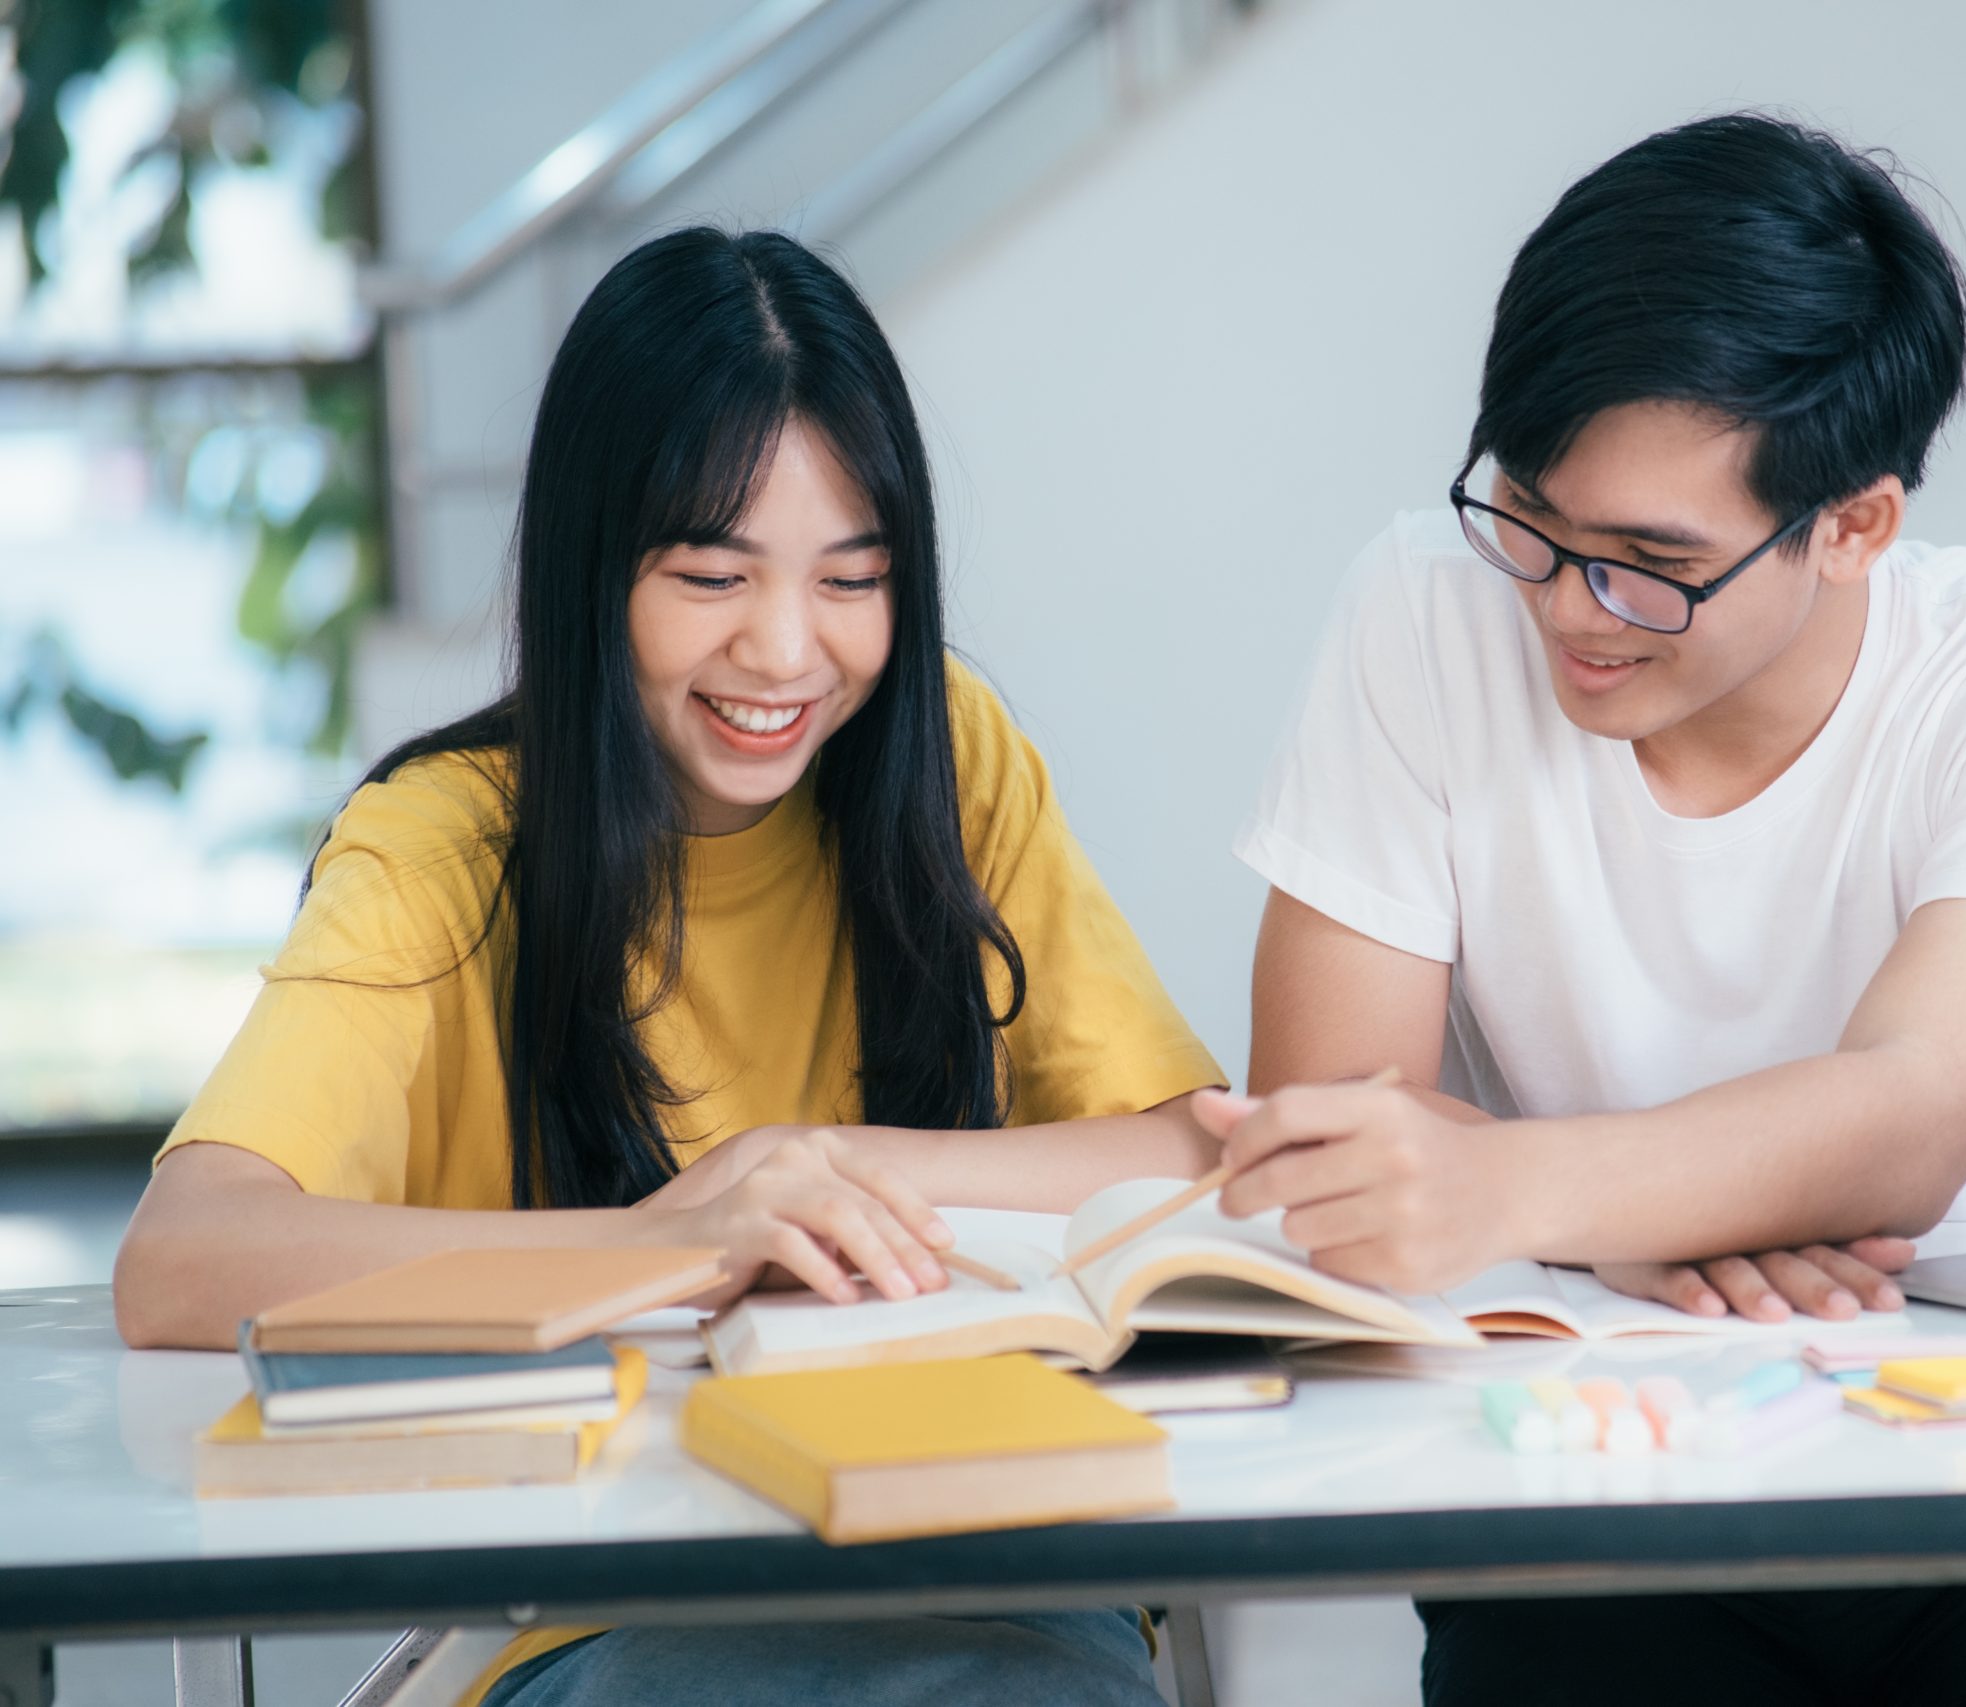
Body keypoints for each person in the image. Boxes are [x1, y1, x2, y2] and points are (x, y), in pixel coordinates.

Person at [1199, 115, 1966, 1704]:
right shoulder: (1424, 608)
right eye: (1533, 517)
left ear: (1853, 524)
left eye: (1655, 563)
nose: (1573, 609)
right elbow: (1343, 1132)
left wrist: (1525, 1194)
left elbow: (1906, 1119)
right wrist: (1635, 1213)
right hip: (1579, 1456)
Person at [113, 227, 1221, 1707]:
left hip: (978, 1556)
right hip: (605, 1605)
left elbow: (1187, 1154)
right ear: (593, 568)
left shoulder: (949, 758)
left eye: (853, 578)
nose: (785, 651)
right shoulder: (446, 845)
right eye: (710, 575)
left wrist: (809, 1165)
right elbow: (185, 1258)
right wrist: (667, 1242)